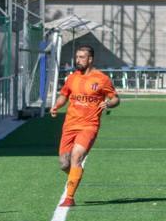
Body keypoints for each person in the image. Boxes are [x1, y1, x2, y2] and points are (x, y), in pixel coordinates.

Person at [50, 45, 120, 207]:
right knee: (64, 164)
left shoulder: (101, 79)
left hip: (89, 125)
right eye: (77, 57)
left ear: (90, 59)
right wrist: (56, 106)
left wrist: (109, 104)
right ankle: (76, 173)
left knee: (76, 157)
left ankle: (69, 198)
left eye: (82, 57)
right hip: (69, 125)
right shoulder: (72, 78)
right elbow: (63, 95)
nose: (78, 60)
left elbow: (115, 98)